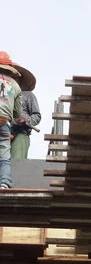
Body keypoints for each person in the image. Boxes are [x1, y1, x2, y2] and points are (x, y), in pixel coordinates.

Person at [0, 52, 22, 189]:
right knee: (4, 158)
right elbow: (18, 113)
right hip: (3, 124)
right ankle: (4, 183)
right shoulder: (16, 86)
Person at [10, 62, 40, 160]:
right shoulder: (3, 95)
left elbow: (37, 116)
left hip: (21, 131)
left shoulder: (28, 95)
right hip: (3, 131)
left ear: (20, 79)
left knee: (17, 161)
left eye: (16, 76)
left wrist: (26, 121)